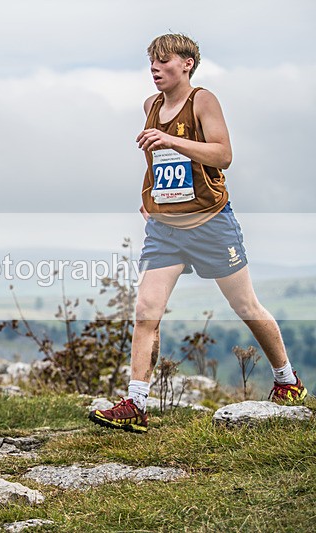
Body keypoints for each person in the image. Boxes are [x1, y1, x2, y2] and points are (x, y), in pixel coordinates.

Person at [89, 33, 308, 433]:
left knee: (246, 308)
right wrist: (155, 196)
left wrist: (172, 138)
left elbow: (223, 154)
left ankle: (286, 380)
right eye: (151, 62)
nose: (155, 69)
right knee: (145, 313)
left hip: (211, 224)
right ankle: (135, 403)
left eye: (164, 61)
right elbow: (164, 160)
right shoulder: (150, 105)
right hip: (165, 230)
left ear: (187, 64)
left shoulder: (202, 101)